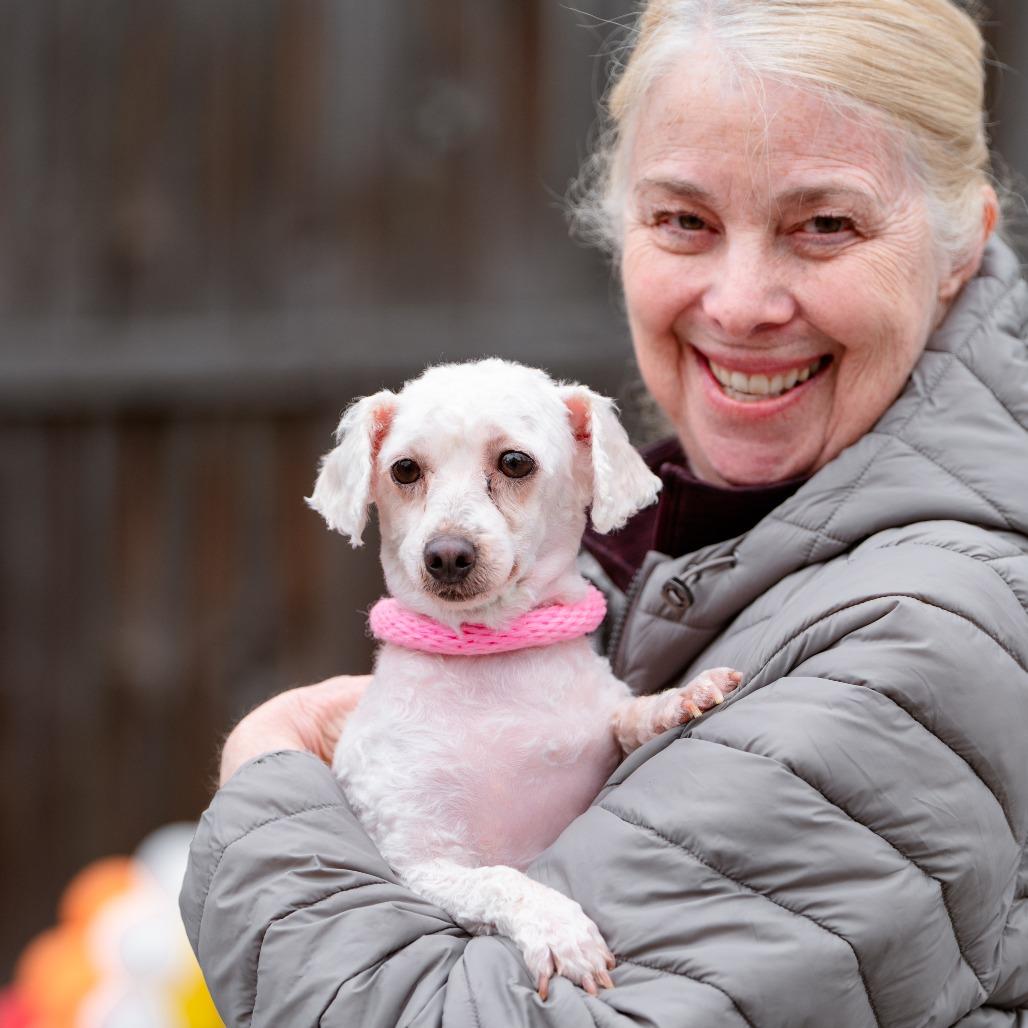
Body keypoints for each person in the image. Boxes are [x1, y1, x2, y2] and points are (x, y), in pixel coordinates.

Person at [180, 1, 1028, 1024]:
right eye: (683, 219)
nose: (738, 301)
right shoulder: (659, 533)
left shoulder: (926, 628)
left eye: (824, 224)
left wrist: (268, 774)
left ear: (957, 247)